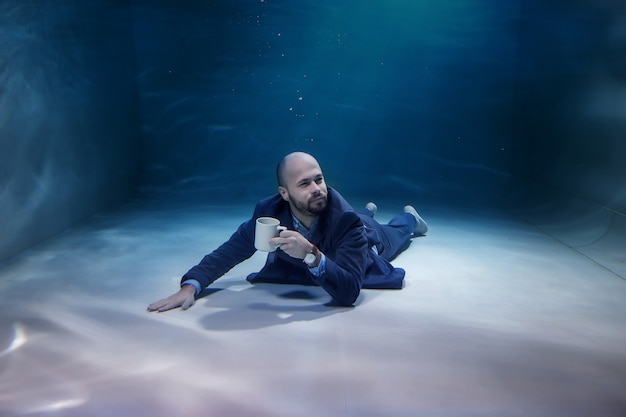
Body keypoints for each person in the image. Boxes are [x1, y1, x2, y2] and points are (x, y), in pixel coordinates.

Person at [147, 152, 428, 312]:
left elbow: (349, 293)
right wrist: (192, 284)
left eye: (319, 180)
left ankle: (408, 217)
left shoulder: (346, 221)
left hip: (366, 240)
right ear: (284, 193)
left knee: (394, 234)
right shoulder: (269, 213)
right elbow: (231, 250)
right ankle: (368, 210)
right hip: (348, 226)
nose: (317, 188)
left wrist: (312, 255)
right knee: (363, 216)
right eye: (304, 184)